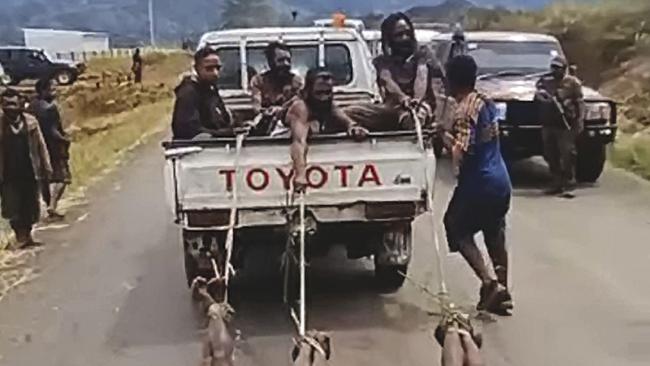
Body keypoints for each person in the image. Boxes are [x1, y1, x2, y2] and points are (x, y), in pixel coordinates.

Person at [442, 55, 513, 316]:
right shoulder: (486, 101)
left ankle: (489, 283)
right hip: (500, 180)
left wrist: (443, 137)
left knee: (455, 226)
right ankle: (503, 292)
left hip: (478, 182)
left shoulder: (463, 110)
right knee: (495, 233)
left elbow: (464, 149)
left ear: (451, 80)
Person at [345, 12, 438, 132]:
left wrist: (416, 100)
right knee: (350, 112)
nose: (405, 38)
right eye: (399, 35)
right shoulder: (382, 61)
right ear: (389, 38)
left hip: (420, 107)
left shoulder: (421, 55)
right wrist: (402, 98)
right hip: (392, 110)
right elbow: (387, 80)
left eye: (407, 33)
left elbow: (422, 76)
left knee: (414, 119)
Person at [287, 68, 368, 192]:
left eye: (327, 92)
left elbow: (346, 120)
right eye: (319, 93)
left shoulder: (327, 104)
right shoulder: (300, 107)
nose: (324, 97)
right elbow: (298, 142)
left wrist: (354, 127)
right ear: (308, 91)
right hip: (285, 137)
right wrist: (300, 174)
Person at [0, 88, 52, 249]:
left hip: (30, 170)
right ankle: (20, 236)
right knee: (12, 206)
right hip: (7, 173)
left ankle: (28, 236)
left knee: (30, 204)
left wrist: (46, 166)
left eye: (15, 103)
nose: (12, 107)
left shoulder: (30, 122)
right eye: (8, 104)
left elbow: (41, 146)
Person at [536, 55, 585, 196]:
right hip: (549, 123)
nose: (555, 70)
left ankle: (569, 182)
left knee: (567, 153)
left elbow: (580, 103)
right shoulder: (545, 81)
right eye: (553, 67)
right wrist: (542, 96)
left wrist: (580, 120)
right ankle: (556, 182)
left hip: (566, 124)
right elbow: (538, 95)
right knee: (550, 154)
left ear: (565, 69)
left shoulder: (573, 83)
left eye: (558, 68)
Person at [171, 47, 235, 140]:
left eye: (218, 68)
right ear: (197, 68)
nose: (215, 73)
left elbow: (221, 120)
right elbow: (189, 131)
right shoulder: (188, 93)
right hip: (199, 149)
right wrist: (222, 134)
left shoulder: (211, 89)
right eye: (209, 69)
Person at [30, 78, 71, 219]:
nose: (55, 91)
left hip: (37, 147)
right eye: (52, 89)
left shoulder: (32, 106)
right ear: (43, 91)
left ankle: (47, 205)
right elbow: (53, 130)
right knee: (63, 178)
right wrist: (65, 140)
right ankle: (52, 206)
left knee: (44, 178)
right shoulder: (50, 107)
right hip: (54, 146)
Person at [249, 42, 303, 136]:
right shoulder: (259, 81)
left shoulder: (297, 81)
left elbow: (299, 103)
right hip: (267, 125)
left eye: (288, 60)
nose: (286, 64)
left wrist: (282, 110)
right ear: (270, 62)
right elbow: (256, 107)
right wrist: (268, 112)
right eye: (281, 60)